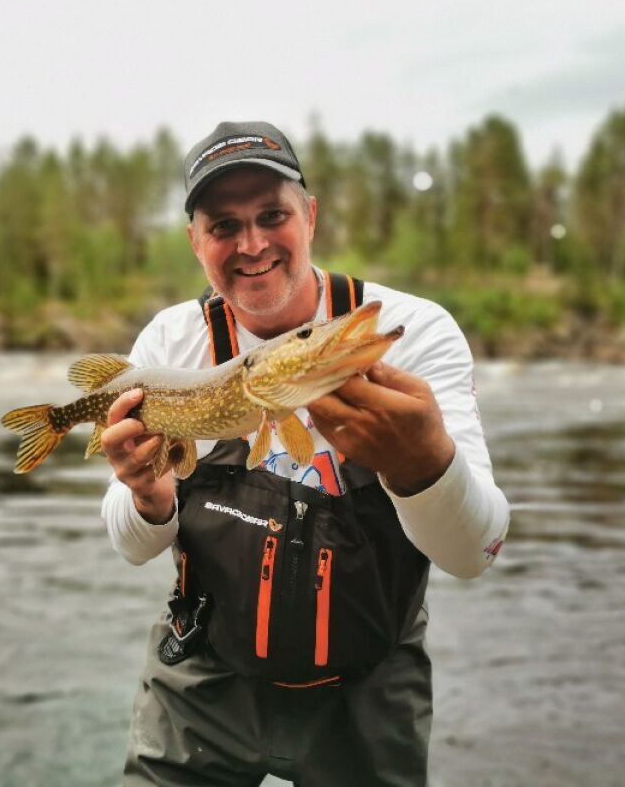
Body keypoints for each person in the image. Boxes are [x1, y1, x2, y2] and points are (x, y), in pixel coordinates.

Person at [99, 121, 510, 786]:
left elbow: (474, 555)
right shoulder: (170, 346)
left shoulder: (417, 332)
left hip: (367, 694)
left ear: (310, 216)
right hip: (204, 679)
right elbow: (132, 546)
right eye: (224, 226)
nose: (252, 244)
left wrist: (422, 462)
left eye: (273, 215)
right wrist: (147, 495)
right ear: (196, 242)